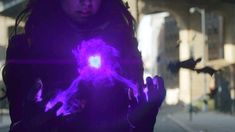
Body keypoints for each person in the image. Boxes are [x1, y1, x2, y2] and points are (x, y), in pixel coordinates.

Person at [2, 0, 166, 132]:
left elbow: (135, 119)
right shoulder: (25, 49)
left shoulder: (123, 46)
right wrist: (28, 127)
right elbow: (18, 120)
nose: (86, 2)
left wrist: (145, 116)